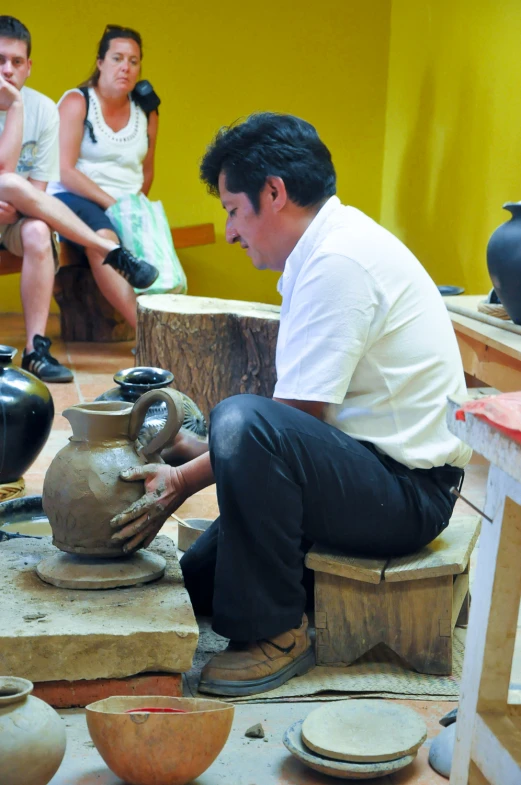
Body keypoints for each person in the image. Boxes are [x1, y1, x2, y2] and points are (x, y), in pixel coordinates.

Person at [109, 112, 472, 697]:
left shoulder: (339, 262)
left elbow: (293, 423)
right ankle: (280, 598)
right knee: (200, 582)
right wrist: (199, 451)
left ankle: (277, 635)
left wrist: (182, 478)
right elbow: (296, 437)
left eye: (232, 209)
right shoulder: (329, 247)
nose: (229, 231)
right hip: (369, 467)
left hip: (410, 494)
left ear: (273, 193)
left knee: (243, 417)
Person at [0, 16, 157, 384]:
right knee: (7, 181)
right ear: (100, 63)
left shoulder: (42, 110)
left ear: (29, 66)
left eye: (17, 62)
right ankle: (107, 248)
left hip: (16, 215)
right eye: (0, 60)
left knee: (38, 231)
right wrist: (15, 110)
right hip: (20, 203)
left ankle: (36, 350)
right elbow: (10, 172)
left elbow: (36, 191)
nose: (8, 70)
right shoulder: (55, 104)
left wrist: (21, 107)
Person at [48, 24, 159, 330]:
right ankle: (147, 332)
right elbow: (64, 171)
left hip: (124, 205)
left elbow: (146, 171)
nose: (125, 67)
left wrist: (134, 212)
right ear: (100, 63)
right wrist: (112, 205)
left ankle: (163, 324)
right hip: (73, 198)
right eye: (117, 58)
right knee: (104, 241)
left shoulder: (147, 111)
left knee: (157, 252)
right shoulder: (77, 101)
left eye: (133, 61)